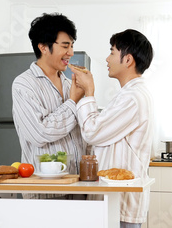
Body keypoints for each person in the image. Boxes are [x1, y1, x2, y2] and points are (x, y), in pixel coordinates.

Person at [70, 29, 154, 228]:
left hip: (121, 204)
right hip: (114, 200)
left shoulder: (133, 98)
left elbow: (92, 132)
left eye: (112, 52)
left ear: (128, 60)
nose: (107, 58)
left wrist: (89, 92)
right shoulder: (129, 94)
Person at [12, 13, 86, 198]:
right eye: (65, 46)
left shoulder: (71, 85)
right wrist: (72, 102)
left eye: (72, 46)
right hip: (44, 192)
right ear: (43, 47)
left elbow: (87, 132)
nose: (71, 53)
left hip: (78, 186)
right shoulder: (24, 84)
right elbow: (39, 133)